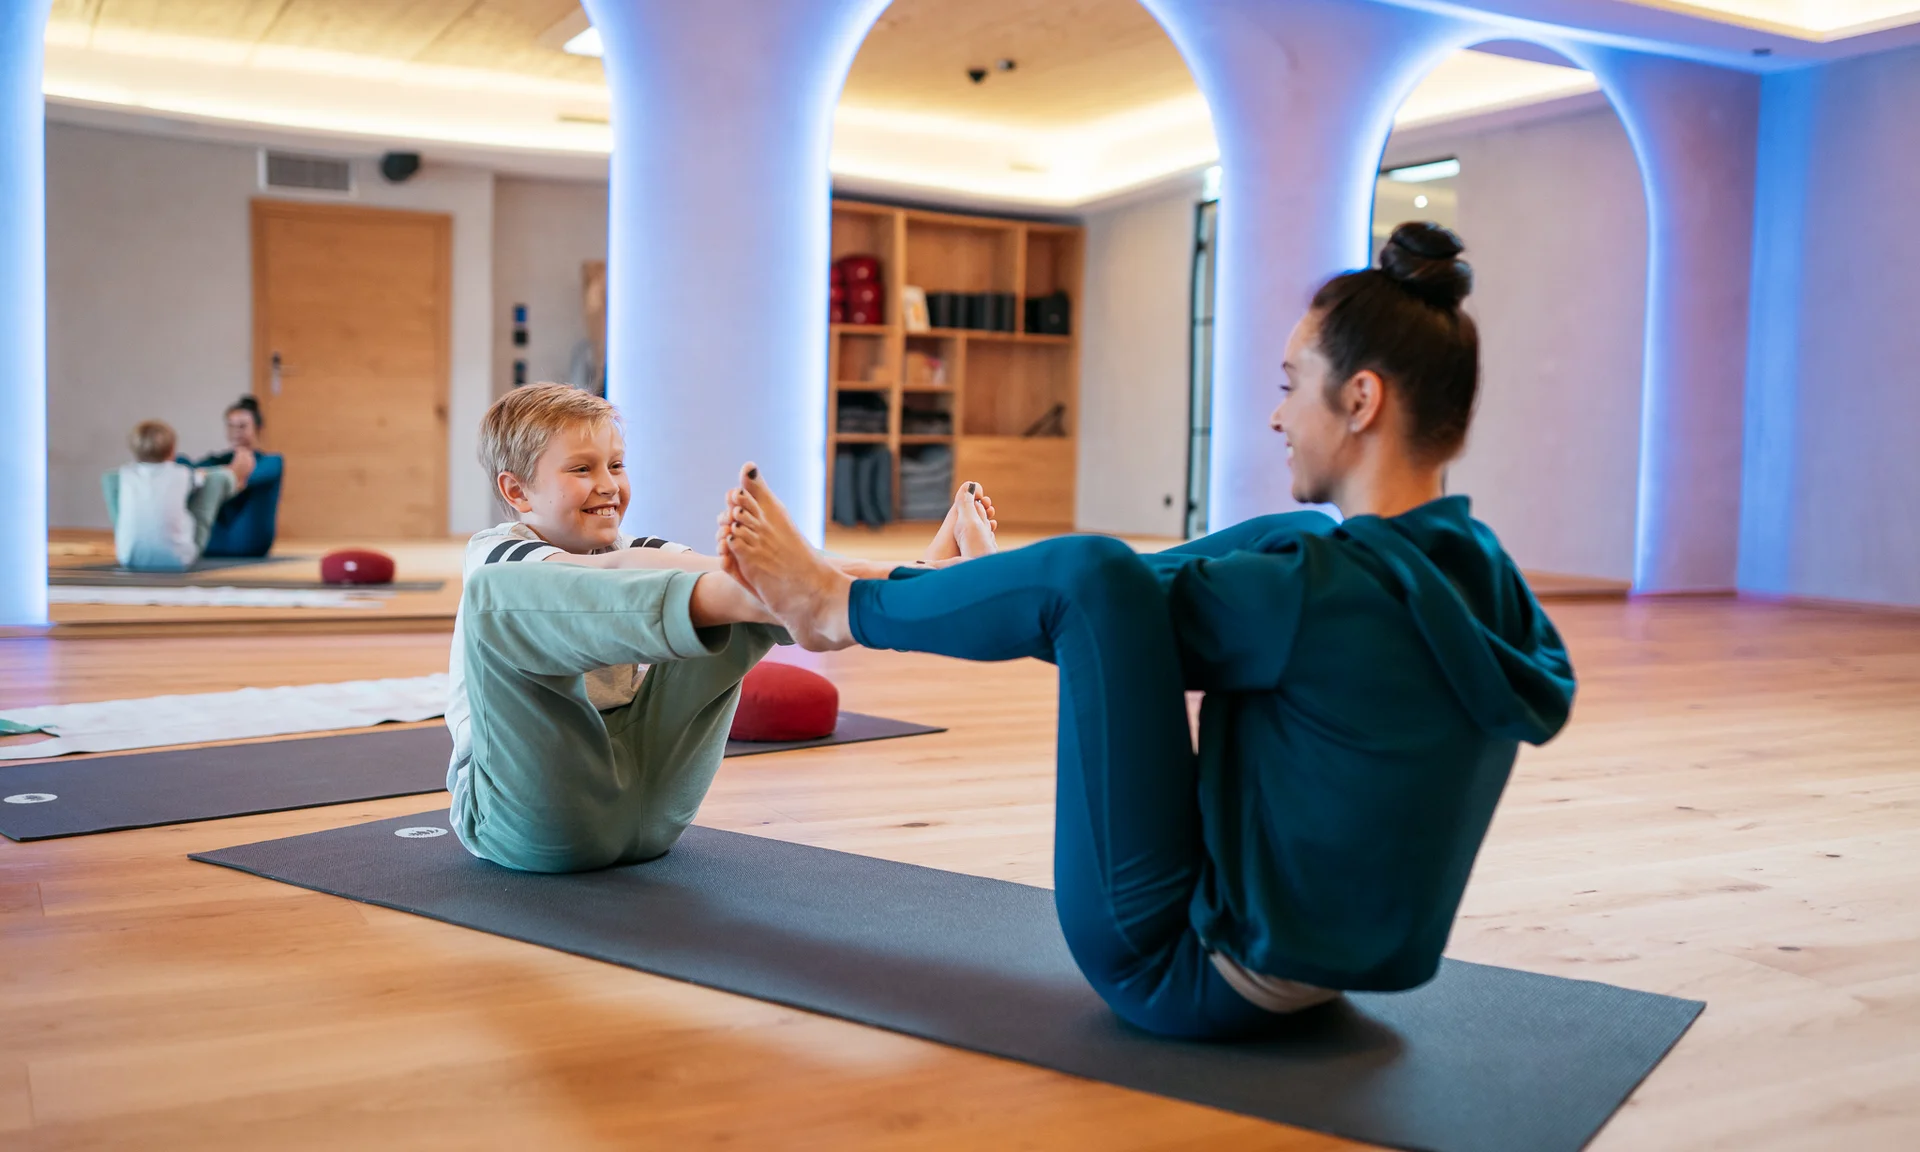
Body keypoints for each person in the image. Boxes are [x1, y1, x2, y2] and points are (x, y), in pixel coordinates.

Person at [717, 222, 1578, 1040]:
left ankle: (834, 608)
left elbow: (1093, 613)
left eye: (1289, 386)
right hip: (1327, 963)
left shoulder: (1322, 596)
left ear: (1360, 400)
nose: (1276, 418)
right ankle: (950, 582)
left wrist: (899, 594)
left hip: (1186, 970)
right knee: (1293, 536)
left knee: (1085, 575)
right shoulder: (1477, 570)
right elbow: (1156, 612)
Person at [449, 383, 997, 874]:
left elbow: (731, 572)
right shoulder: (497, 554)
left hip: (650, 806)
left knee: (747, 580)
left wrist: (914, 576)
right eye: (581, 469)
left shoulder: (636, 549)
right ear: (517, 492)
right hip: (530, 819)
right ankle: (836, 599)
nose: (608, 485)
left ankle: (911, 592)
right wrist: (771, 584)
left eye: (616, 466)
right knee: (499, 600)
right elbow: (615, 573)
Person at [102, 419, 244, 571]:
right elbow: (204, 479)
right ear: (172, 451)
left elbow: (112, 479)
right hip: (179, 558)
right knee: (218, 478)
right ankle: (238, 483)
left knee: (111, 480)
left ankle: (130, 537)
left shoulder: (125, 475)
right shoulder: (182, 473)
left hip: (128, 557)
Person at [183, 396, 284, 557]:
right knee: (181, 463)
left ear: (257, 428)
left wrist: (216, 476)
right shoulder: (215, 461)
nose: (236, 432)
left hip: (249, 542)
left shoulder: (271, 462)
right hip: (213, 540)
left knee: (216, 480)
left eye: (242, 426)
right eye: (231, 426)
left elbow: (244, 479)